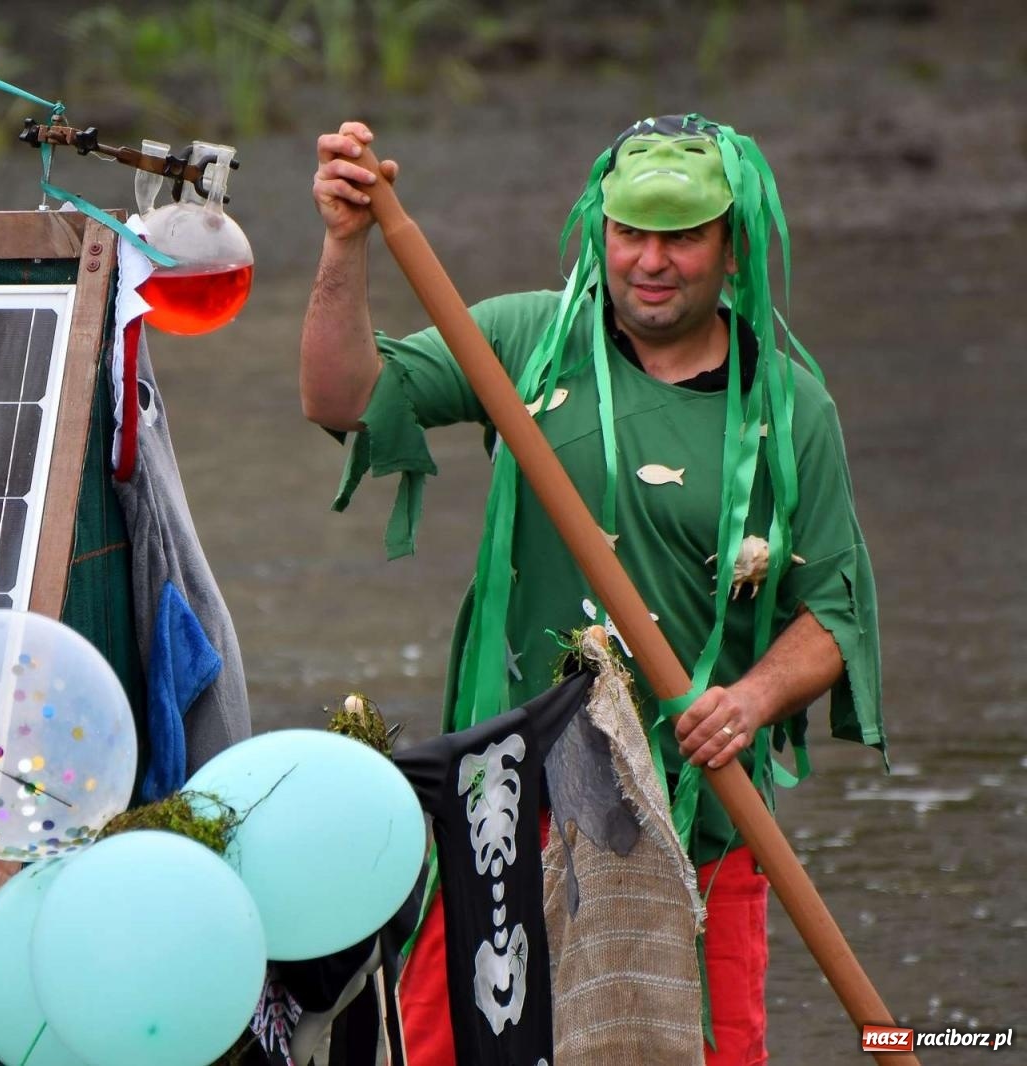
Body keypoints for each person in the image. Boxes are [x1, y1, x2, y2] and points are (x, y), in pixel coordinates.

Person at [300, 115, 884, 1065]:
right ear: (600, 231)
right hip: (506, 809)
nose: (651, 261)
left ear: (731, 249)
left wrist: (750, 700)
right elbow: (340, 398)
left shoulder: (790, 407)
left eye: (682, 236)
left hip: (699, 814)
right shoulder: (525, 340)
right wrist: (342, 246)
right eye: (630, 233)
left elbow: (836, 616)